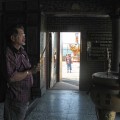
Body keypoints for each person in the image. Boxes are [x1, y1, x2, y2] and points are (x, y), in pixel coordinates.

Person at [4, 24, 40, 120]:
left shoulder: (22, 51)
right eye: (21, 35)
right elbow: (12, 77)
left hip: (25, 96)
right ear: (13, 38)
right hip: (15, 98)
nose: (24, 37)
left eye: (24, 34)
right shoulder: (8, 53)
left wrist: (34, 70)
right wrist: (29, 72)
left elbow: (27, 69)